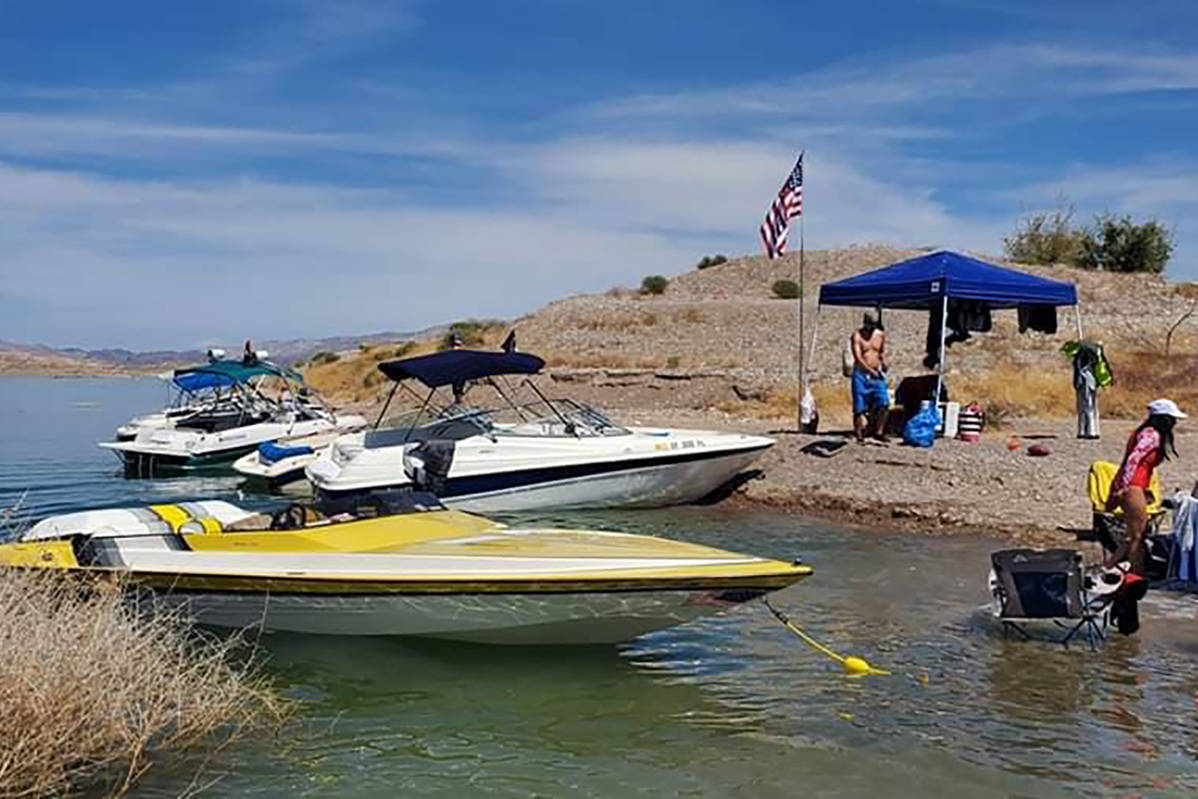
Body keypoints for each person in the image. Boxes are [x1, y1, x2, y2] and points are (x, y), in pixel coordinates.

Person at [1105, 398, 1187, 574]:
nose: (1174, 423)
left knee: (1135, 534)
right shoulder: (1152, 436)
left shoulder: (1146, 433)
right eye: (1172, 419)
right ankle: (1137, 574)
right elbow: (1133, 460)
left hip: (1136, 486)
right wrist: (1125, 487)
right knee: (1137, 537)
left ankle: (1108, 567)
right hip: (1132, 486)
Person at [850, 311, 890, 443]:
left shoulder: (880, 335)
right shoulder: (857, 336)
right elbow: (858, 356)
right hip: (861, 374)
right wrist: (868, 370)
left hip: (876, 373)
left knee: (884, 402)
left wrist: (884, 363)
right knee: (859, 406)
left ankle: (879, 431)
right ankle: (859, 433)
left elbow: (881, 352)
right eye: (869, 325)